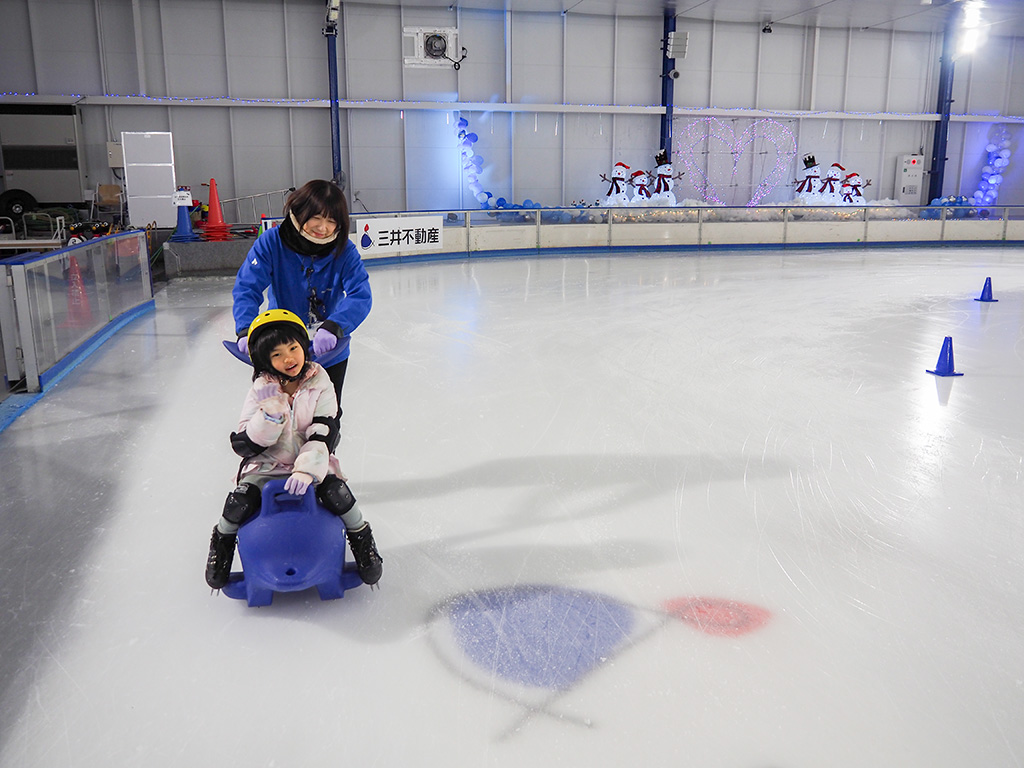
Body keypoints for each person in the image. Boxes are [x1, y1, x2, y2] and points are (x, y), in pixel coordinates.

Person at [205, 309, 382, 590]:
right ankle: (222, 545)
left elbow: (324, 432)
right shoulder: (262, 388)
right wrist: (270, 417)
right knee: (238, 503)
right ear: (265, 360)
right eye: (277, 354)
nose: (289, 358)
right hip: (266, 465)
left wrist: (308, 470)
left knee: (338, 493)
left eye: (293, 347)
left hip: (311, 459)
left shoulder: (320, 380)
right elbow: (245, 443)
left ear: (303, 345)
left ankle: (362, 539)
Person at [232, 179, 371, 421]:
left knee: (325, 417)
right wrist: (246, 329)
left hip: (328, 350)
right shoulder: (272, 242)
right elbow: (247, 286)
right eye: (316, 217)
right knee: (276, 415)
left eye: (332, 221)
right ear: (299, 211)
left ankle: (323, 457)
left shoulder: (344, 250)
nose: (323, 227)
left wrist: (335, 325)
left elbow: (361, 294)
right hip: (279, 347)